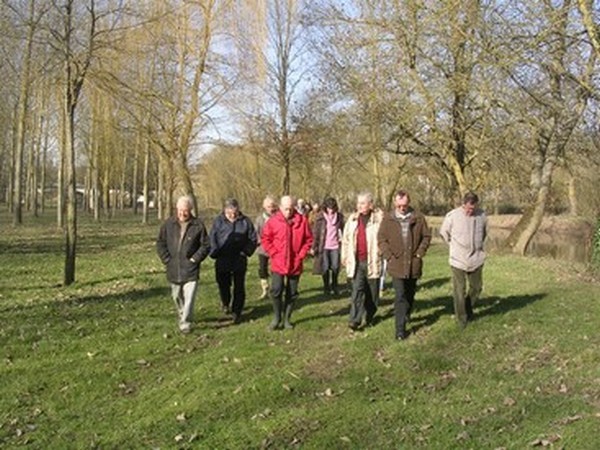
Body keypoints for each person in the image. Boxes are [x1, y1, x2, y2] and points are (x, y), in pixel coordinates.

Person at [378, 190, 431, 340]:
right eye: (399, 205)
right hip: (396, 264)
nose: (402, 208)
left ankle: (407, 313)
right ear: (395, 203)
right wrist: (388, 256)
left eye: (405, 205)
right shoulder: (388, 219)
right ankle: (400, 330)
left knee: (410, 293)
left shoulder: (419, 218)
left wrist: (420, 252)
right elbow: (381, 239)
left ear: (409, 203)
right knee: (400, 295)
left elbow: (426, 237)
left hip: (413, 263)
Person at [156, 195, 210, 333]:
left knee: (189, 297)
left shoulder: (198, 225)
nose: (182, 213)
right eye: (180, 210)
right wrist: (166, 259)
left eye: (185, 210)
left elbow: (205, 245)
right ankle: (182, 314)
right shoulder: (168, 224)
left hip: (191, 269)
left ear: (190, 210)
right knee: (176, 296)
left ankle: (185, 322)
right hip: (173, 268)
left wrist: (195, 259)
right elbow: (160, 243)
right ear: (176, 209)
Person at [261, 195, 313, 330]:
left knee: (292, 292)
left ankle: (287, 319)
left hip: (295, 263)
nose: (288, 212)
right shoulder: (273, 221)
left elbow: (308, 240)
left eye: (291, 209)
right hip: (278, 262)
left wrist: (301, 255)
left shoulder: (301, 221)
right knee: (276, 290)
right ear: (280, 207)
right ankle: (276, 317)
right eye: (285, 209)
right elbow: (265, 239)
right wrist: (273, 253)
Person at [439, 191, 488, 328]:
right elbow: (444, 233)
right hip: (458, 259)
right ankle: (462, 319)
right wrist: (453, 246)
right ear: (463, 204)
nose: (470, 211)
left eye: (473, 209)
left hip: (476, 258)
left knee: (477, 288)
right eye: (468, 208)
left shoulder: (482, 215)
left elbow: (484, 233)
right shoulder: (452, 216)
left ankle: (467, 308)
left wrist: (479, 247)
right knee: (459, 290)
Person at [209, 198, 257, 324]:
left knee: (239, 286)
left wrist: (246, 251)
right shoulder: (218, 221)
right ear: (225, 210)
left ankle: (237, 311)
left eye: (234, 212)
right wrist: (214, 252)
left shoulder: (246, 221)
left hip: (239, 258)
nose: (232, 215)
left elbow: (252, 239)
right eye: (229, 212)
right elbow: (212, 238)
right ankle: (225, 302)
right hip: (222, 257)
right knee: (223, 284)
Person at [341, 192, 383, 330]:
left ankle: (370, 315)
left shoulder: (379, 220)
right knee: (357, 292)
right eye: (358, 203)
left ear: (370, 204)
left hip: (373, 261)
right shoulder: (352, 220)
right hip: (357, 262)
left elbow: (385, 239)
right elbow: (346, 240)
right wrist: (344, 256)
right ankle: (355, 320)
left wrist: (383, 252)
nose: (359, 206)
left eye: (363, 203)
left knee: (372, 293)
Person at [312, 196, 344, 296]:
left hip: (335, 246)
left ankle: (334, 285)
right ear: (325, 207)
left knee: (335, 267)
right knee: (325, 267)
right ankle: (326, 287)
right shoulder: (320, 217)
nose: (331, 210)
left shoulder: (339, 217)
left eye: (333, 208)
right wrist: (314, 246)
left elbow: (343, 230)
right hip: (324, 246)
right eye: (329, 208)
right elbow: (316, 233)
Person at [255, 195, 278, 299]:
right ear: (264, 207)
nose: (271, 208)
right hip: (263, 249)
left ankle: (276, 288)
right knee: (262, 269)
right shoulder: (260, 219)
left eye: (272, 206)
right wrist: (262, 242)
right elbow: (256, 233)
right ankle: (265, 289)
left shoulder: (279, 217)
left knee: (275, 269)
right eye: (268, 206)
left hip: (276, 249)